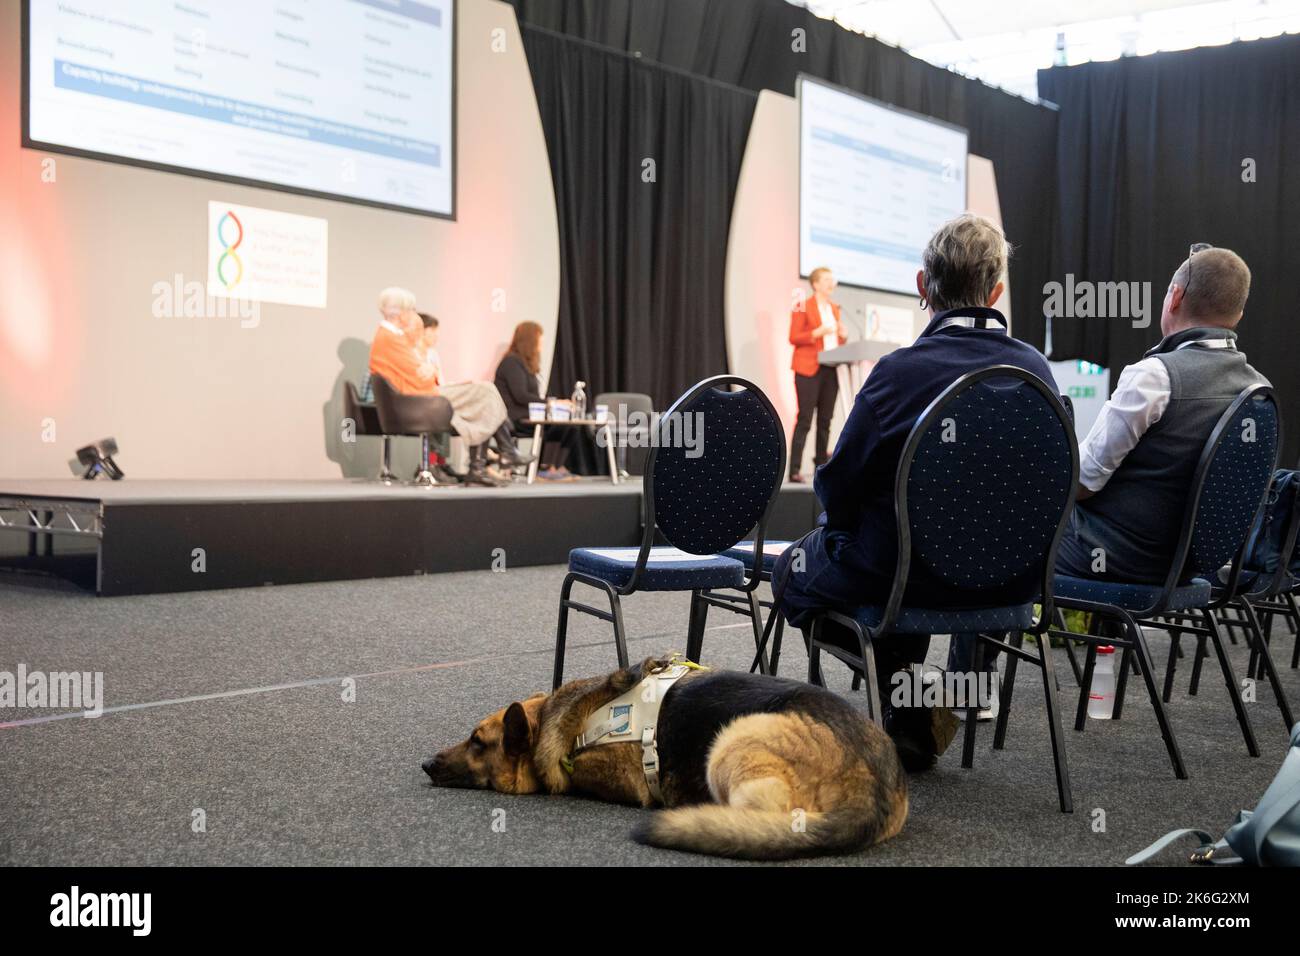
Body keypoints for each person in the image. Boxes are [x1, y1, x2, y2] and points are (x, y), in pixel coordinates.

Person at [772, 215, 1058, 769]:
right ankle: (912, 713)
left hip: (903, 579)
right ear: (996, 292)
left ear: (923, 286)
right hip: (1009, 586)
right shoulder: (1037, 371)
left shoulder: (898, 373)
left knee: (789, 573)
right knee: (901, 559)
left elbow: (838, 487)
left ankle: (906, 695)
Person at [1056, 246, 1268, 583]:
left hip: (1114, 556)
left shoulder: (1154, 376)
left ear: (1175, 297)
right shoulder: (1259, 391)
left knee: (1013, 522)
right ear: (1237, 316)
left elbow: (1084, 482)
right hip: (1190, 567)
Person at [367, 288, 531, 487]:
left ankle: (494, 458)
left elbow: (421, 368)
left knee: (484, 393)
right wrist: (431, 370)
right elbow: (422, 379)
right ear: (401, 313)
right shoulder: (391, 339)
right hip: (419, 398)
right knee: (485, 391)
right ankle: (496, 456)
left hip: (417, 395)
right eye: (411, 310)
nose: (414, 316)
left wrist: (430, 369)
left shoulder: (392, 337)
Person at [494, 321, 577, 480]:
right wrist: (552, 403)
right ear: (530, 340)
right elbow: (521, 395)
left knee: (570, 426)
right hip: (516, 416)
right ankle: (543, 468)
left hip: (530, 414)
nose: (542, 343)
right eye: (540, 339)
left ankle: (552, 466)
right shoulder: (511, 362)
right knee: (555, 426)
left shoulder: (526, 365)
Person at [788, 267, 847, 482]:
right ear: (815, 284)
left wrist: (843, 336)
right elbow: (793, 336)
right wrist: (817, 332)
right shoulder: (803, 305)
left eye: (833, 279)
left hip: (830, 369)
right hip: (808, 368)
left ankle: (820, 468)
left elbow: (836, 343)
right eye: (826, 279)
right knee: (805, 419)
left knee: (825, 420)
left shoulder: (834, 308)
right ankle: (794, 470)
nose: (832, 283)